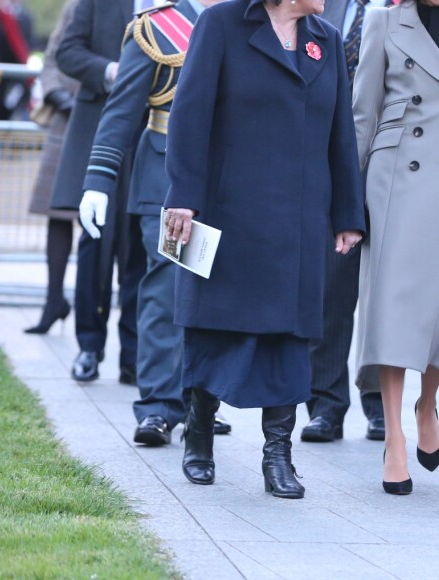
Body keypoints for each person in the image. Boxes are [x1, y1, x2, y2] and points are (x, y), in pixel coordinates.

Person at [164, 0, 365, 498]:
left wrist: (347, 213)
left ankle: (278, 454)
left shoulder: (327, 40)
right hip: (226, 211)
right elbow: (189, 116)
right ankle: (200, 436)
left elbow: (341, 132)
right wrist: (183, 199)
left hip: (298, 221)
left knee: (290, 336)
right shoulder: (221, 24)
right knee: (214, 327)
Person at [79, 0, 231, 446]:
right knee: (166, 292)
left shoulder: (250, 21)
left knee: (215, 296)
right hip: (165, 175)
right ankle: (158, 406)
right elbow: (122, 109)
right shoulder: (157, 27)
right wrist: (98, 180)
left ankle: (199, 402)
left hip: (226, 177)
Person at [352, 0, 439, 495]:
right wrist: (348, 201)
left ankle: (427, 405)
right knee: (392, 306)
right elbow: (363, 112)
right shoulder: (383, 20)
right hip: (398, 179)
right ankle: (395, 435)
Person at [301, 0, 387, 444]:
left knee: (384, 296)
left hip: (396, 168)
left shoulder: (402, 9)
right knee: (332, 290)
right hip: (333, 164)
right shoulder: (320, 9)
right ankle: (326, 405)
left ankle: (379, 405)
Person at [54, 0, 148, 385]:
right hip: (100, 131)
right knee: (96, 242)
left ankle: (135, 356)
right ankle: (89, 346)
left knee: (141, 246)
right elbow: (67, 52)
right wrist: (111, 71)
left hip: (152, 136)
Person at [24, 0, 79, 334]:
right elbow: (53, 56)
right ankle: (53, 301)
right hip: (66, 117)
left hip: (111, 116)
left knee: (104, 224)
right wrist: (57, 94)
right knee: (57, 211)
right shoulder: (78, 4)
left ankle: (93, 309)